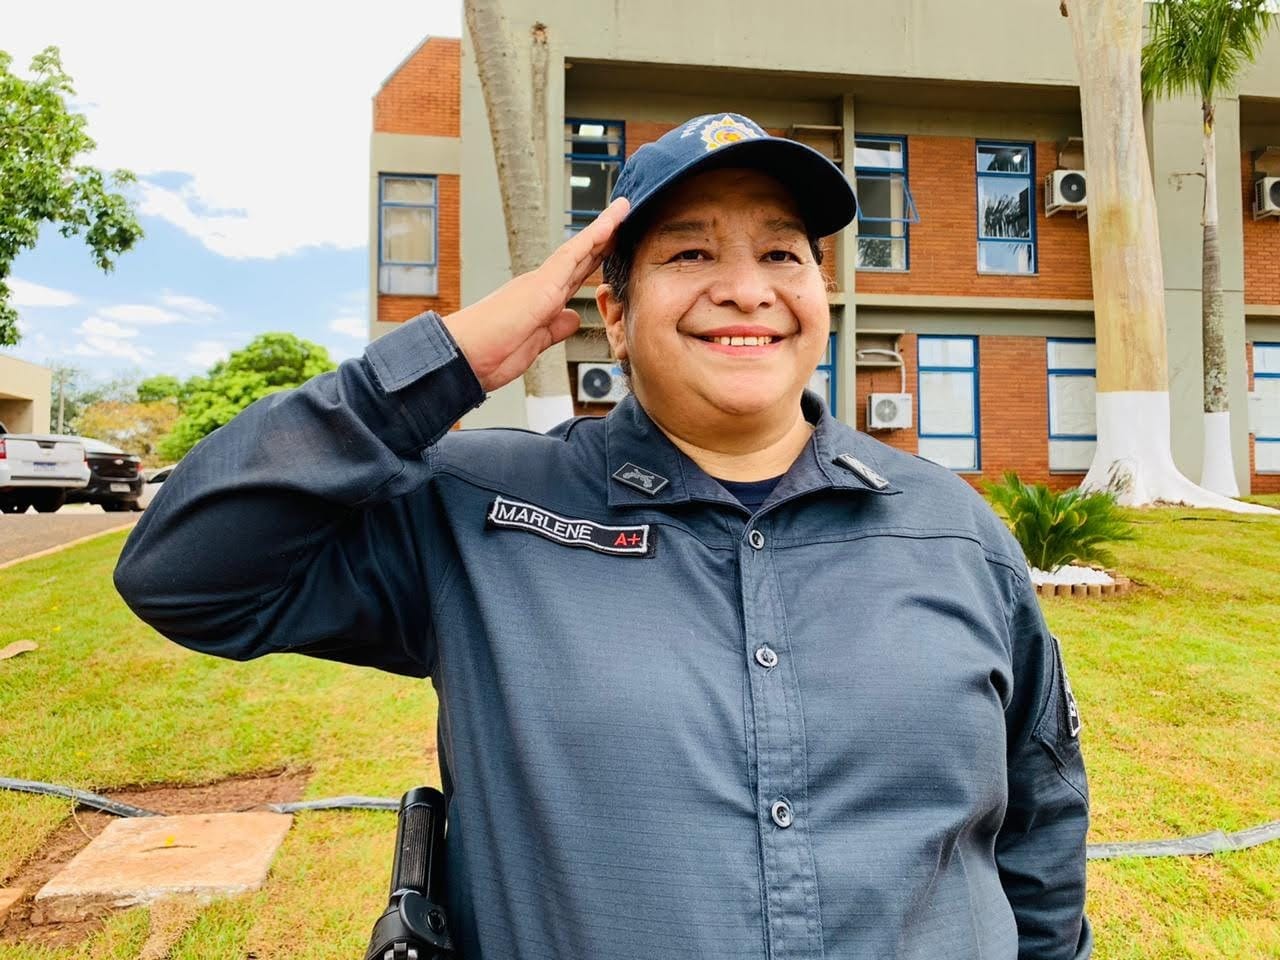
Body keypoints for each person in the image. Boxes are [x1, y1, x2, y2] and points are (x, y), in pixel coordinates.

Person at [114, 112, 1091, 959]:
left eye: (780, 253)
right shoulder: (476, 508)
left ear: (817, 300)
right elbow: (188, 574)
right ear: (612, 316)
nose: (746, 288)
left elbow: (1038, 834)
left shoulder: (953, 531)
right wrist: (445, 361)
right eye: (690, 253)